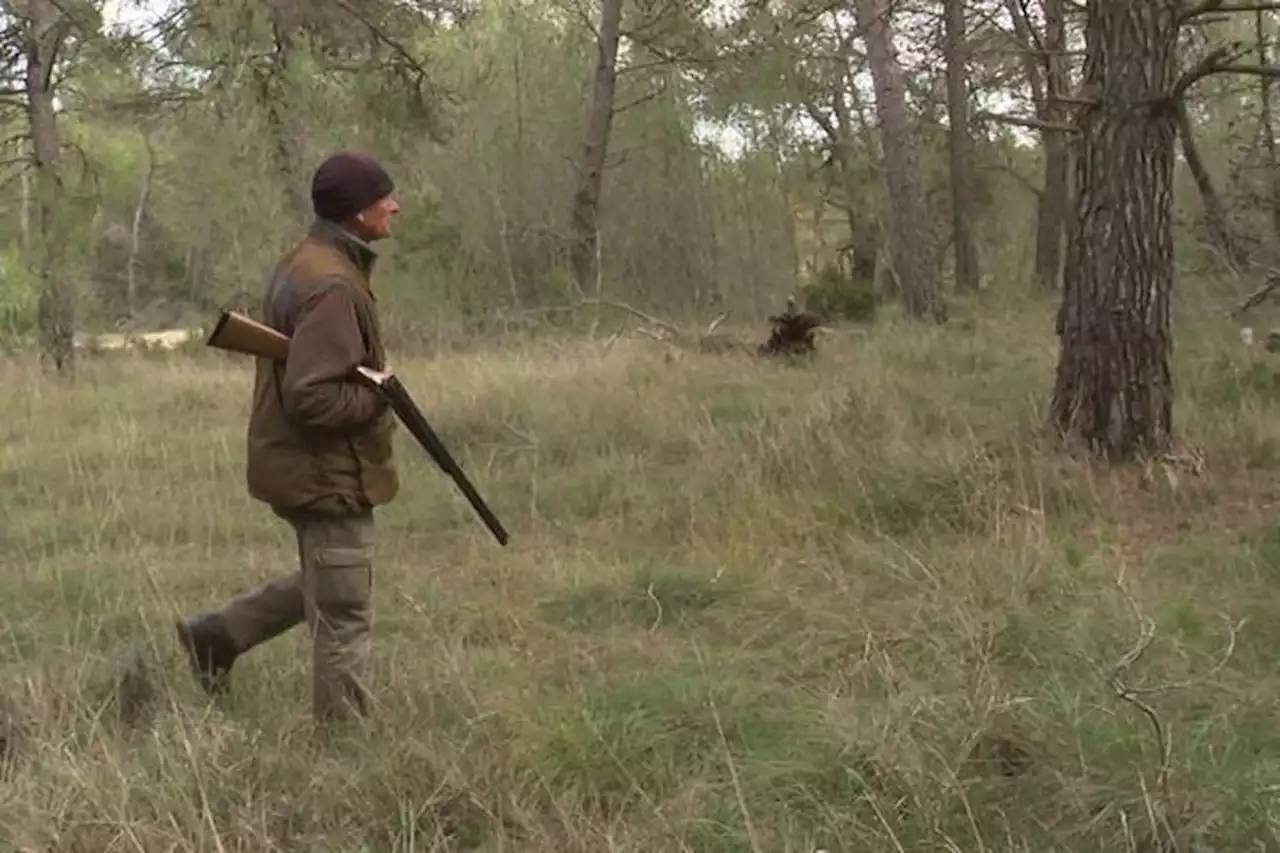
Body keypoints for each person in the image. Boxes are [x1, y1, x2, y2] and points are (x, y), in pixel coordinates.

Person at [175, 150, 401, 727]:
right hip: (325, 470)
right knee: (344, 610)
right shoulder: (332, 284)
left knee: (332, 577)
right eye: (384, 199)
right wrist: (379, 395)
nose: (394, 207)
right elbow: (314, 396)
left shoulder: (306, 261)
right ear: (356, 213)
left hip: (298, 463)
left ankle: (217, 637)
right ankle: (344, 750)